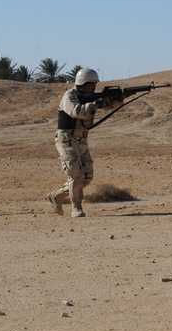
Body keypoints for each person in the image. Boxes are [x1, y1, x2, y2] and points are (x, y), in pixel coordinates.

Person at [46, 67, 119, 218]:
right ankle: (76, 207)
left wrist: (117, 100)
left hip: (82, 139)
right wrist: (96, 104)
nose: (94, 87)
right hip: (67, 138)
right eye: (91, 84)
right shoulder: (70, 96)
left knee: (87, 177)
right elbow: (77, 111)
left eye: (95, 84)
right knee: (76, 175)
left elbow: (110, 107)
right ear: (83, 84)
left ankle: (57, 196)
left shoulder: (90, 97)